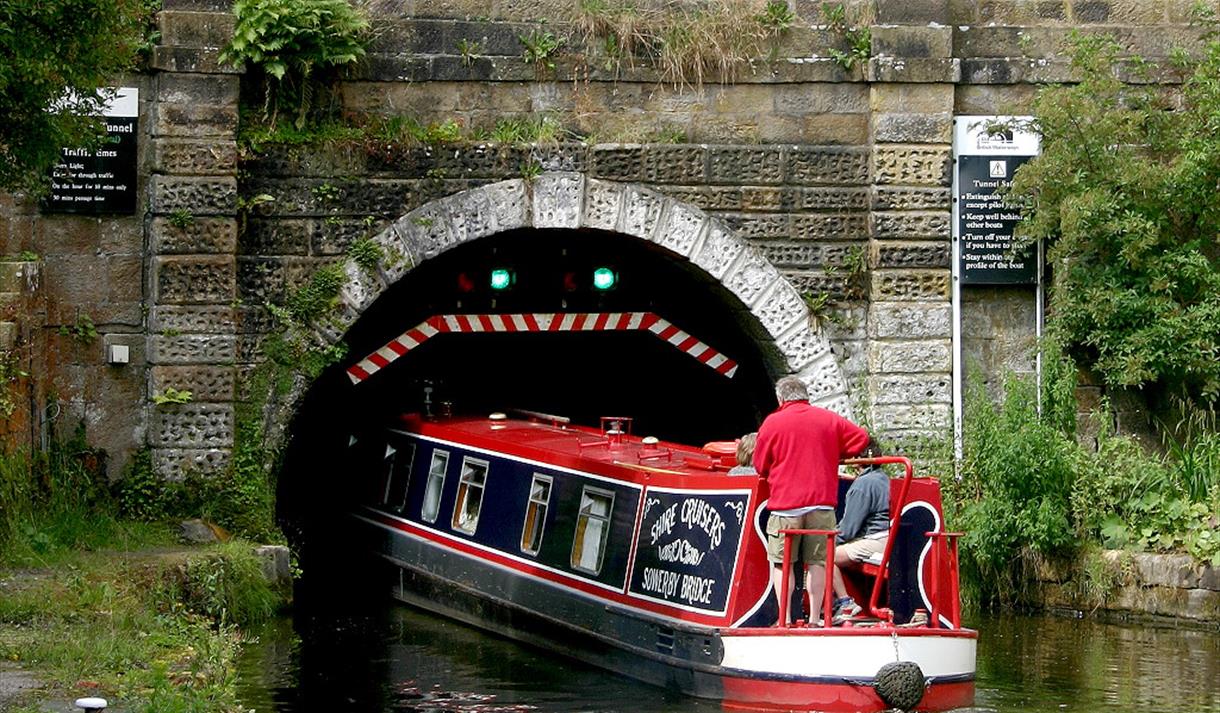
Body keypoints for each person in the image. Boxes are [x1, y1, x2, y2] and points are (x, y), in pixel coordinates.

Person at [753, 376, 870, 625]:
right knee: (818, 562)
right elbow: (860, 438)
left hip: (787, 505)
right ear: (806, 395)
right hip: (822, 504)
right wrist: (833, 453)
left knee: (782, 564)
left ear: (781, 398)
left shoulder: (773, 423)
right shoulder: (828, 418)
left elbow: (760, 465)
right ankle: (816, 618)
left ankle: (784, 619)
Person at [829, 441, 890, 622]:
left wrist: (827, 539)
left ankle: (845, 602)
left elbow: (848, 529)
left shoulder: (862, 485)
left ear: (857, 459)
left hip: (875, 541)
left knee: (823, 556)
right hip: (889, 538)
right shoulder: (884, 479)